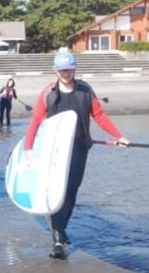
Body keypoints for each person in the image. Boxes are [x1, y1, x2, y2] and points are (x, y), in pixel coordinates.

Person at [24, 49, 129, 259]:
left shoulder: (85, 90)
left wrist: (119, 136)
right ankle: (58, 240)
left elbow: (99, 116)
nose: (65, 74)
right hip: (54, 153)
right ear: (55, 70)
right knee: (55, 193)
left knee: (71, 193)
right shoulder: (48, 93)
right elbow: (35, 121)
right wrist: (28, 149)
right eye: (62, 70)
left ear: (74, 69)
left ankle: (61, 230)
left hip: (79, 149)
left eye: (69, 69)